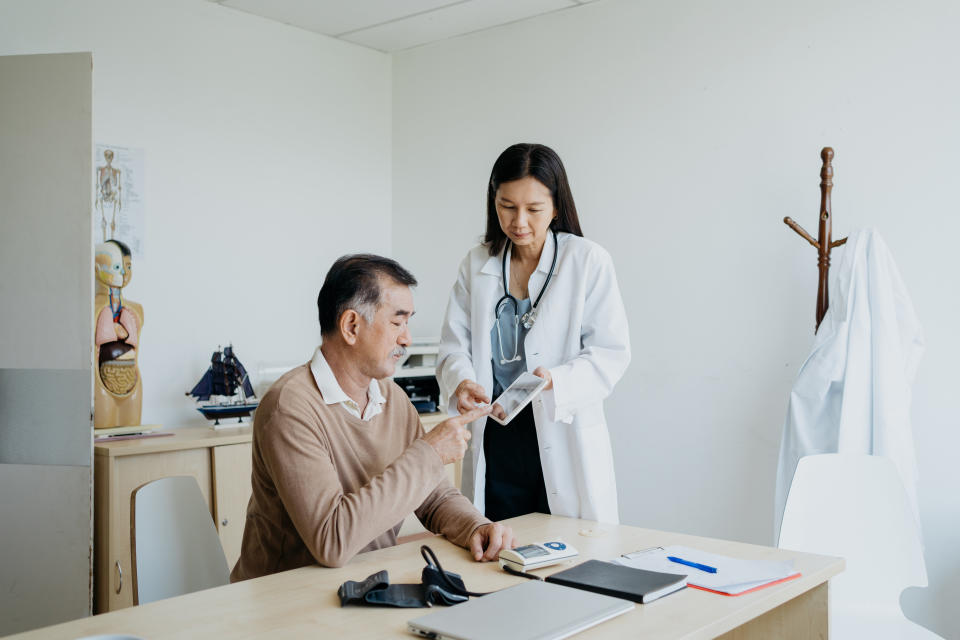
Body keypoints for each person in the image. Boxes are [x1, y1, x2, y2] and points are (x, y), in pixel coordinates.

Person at [231, 254, 515, 581]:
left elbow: (434, 496)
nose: (406, 338)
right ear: (352, 326)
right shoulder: (289, 407)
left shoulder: (392, 397)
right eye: (397, 322)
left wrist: (475, 527)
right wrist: (430, 453)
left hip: (365, 585)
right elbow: (332, 541)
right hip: (283, 600)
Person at [437, 143, 630, 524]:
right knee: (496, 551)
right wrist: (461, 382)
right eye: (507, 206)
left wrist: (556, 379)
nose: (519, 221)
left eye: (533, 209)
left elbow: (610, 352)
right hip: (496, 430)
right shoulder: (477, 263)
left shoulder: (587, 261)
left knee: (567, 557)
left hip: (560, 428)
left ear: (556, 207)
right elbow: (453, 347)